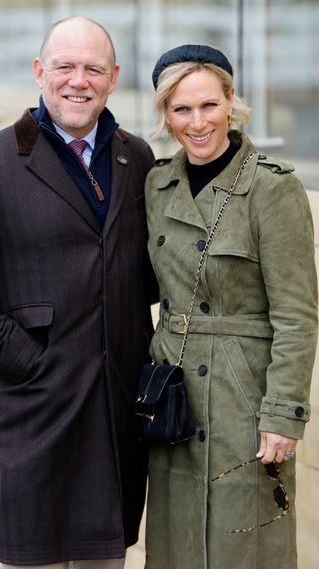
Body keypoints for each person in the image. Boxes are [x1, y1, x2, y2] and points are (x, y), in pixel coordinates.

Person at [144, 44, 318, 569]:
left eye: (209, 106)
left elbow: (297, 313)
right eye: (182, 109)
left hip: (245, 395)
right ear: (166, 115)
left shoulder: (271, 186)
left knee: (247, 541)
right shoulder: (156, 183)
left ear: (231, 101)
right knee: (175, 544)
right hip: (172, 394)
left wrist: (283, 413)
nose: (198, 123)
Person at [0, 15, 157, 569]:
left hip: (113, 409)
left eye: (93, 68)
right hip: (30, 407)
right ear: (40, 72)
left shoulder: (138, 160)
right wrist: (23, 361)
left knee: (104, 561)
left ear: (113, 78)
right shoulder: (0, 159)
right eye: (65, 66)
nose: (78, 80)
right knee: (31, 558)